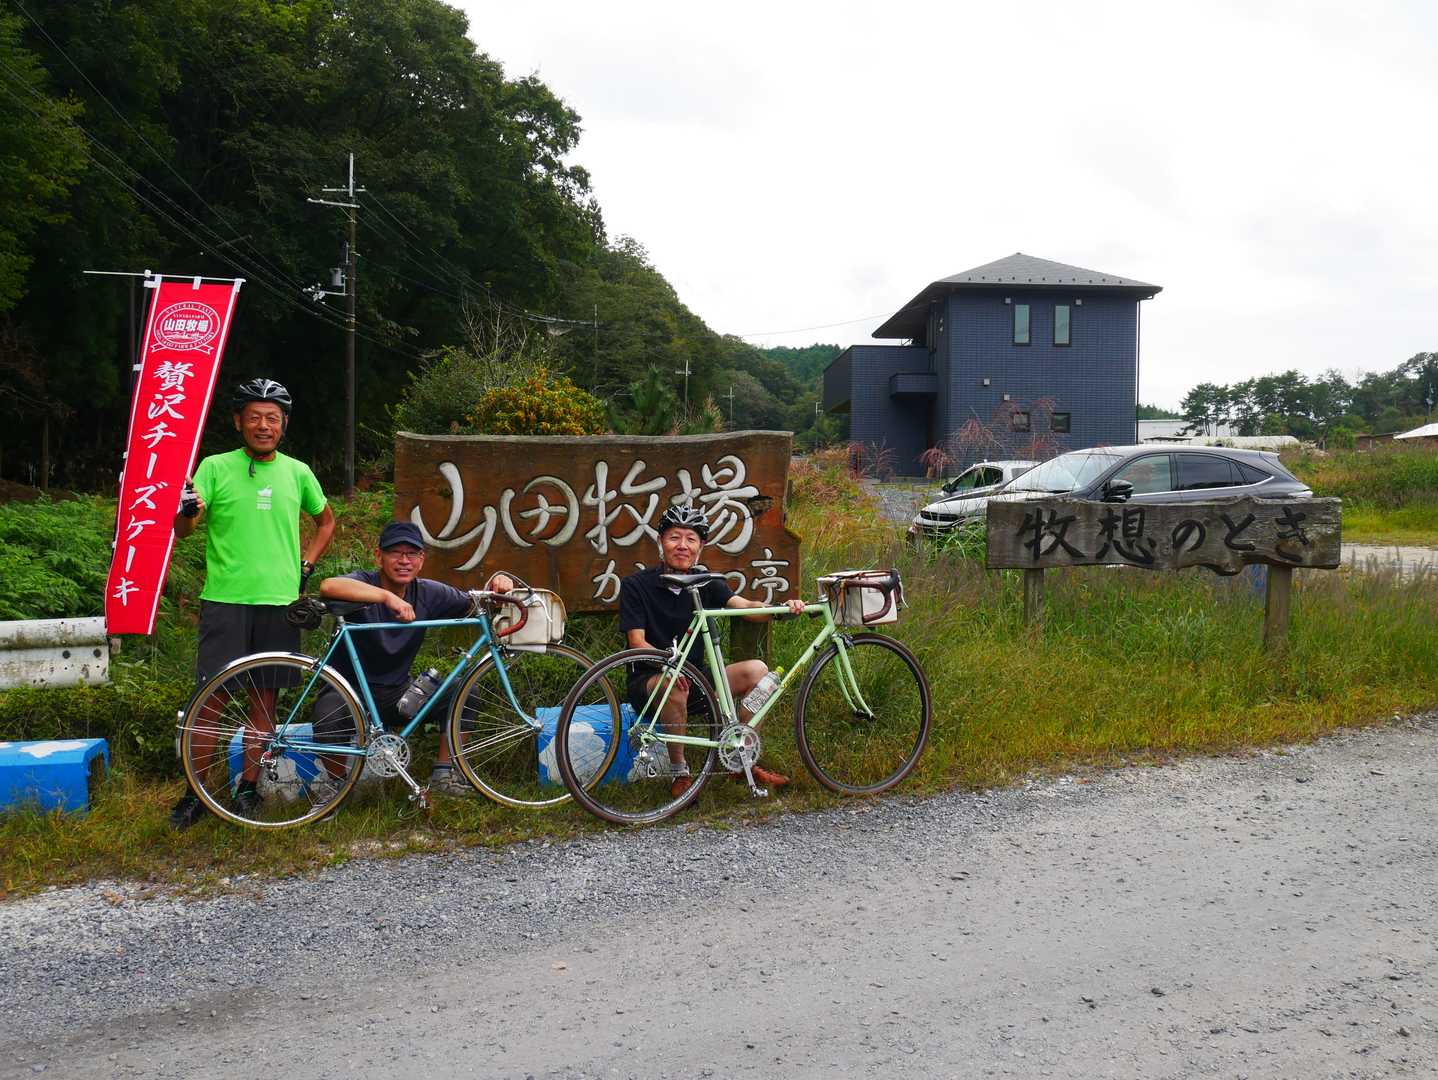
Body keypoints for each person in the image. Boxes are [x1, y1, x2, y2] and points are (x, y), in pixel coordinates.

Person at [169, 378, 335, 829]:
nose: (264, 426)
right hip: (225, 600)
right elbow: (185, 529)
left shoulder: (298, 472)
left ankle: (247, 789)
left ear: (283, 425)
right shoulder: (214, 467)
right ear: (238, 422)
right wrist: (185, 511)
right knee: (211, 700)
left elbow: (325, 521)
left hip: (280, 602)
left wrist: (306, 565)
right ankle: (196, 793)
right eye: (255, 417)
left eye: (272, 418)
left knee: (265, 701)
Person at [311, 520, 513, 797]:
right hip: (351, 692)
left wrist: (498, 587)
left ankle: (444, 774)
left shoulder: (429, 592)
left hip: (399, 693)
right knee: (328, 714)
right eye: (395, 552)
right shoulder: (364, 582)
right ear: (379, 556)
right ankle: (336, 786)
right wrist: (387, 598)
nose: (404, 560)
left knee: (465, 693)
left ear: (421, 560)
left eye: (412, 554)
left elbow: (473, 604)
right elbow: (329, 585)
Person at [618, 503, 805, 798]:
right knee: (674, 683)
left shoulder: (704, 582)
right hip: (652, 680)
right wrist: (669, 664)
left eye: (691, 539)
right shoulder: (635, 585)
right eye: (674, 537)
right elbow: (636, 642)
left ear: (700, 547)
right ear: (660, 542)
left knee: (758, 671)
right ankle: (680, 772)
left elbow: (746, 607)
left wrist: (782, 609)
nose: (682, 545)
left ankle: (740, 758)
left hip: (698, 680)